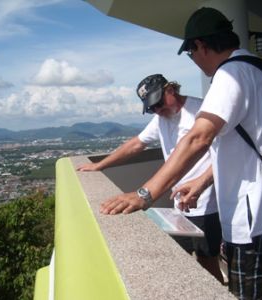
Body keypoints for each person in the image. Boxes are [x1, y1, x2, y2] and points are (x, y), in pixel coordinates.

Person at [100, 7, 262, 300]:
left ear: (200, 46)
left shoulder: (232, 73)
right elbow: (234, 146)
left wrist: (145, 194)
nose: (194, 61)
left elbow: (199, 138)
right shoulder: (257, 68)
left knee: (245, 293)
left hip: (257, 213)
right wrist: (201, 182)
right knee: (252, 287)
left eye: (191, 54)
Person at [77, 74, 224, 284]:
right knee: (180, 261)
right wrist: (100, 165)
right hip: (179, 204)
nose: (157, 110)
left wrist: (201, 182)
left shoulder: (202, 112)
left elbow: (223, 155)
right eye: (152, 108)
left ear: (170, 90)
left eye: (159, 103)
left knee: (207, 262)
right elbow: (137, 144)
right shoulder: (161, 118)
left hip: (208, 204)